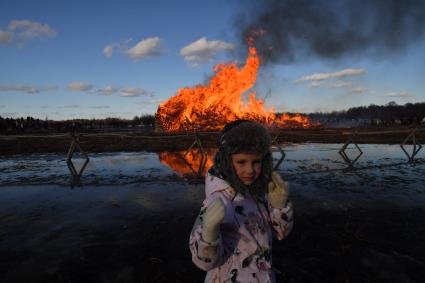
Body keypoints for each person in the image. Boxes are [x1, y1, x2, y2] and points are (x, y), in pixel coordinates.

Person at [189, 120, 294, 282]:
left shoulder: (260, 191)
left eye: (256, 161)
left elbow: (280, 234)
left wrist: (279, 208)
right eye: (241, 162)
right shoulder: (219, 200)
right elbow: (204, 263)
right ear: (227, 162)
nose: (250, 170)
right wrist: (209, 234)